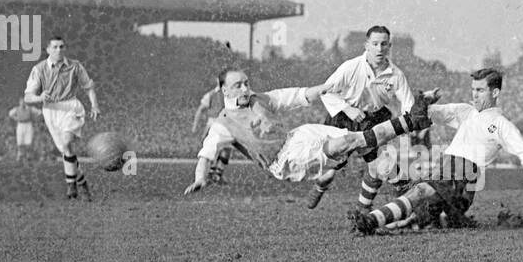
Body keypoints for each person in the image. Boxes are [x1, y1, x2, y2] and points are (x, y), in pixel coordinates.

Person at [351, 68, 523, 234]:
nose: (474, 95)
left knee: (419, 192)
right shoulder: (465, 111)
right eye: (473, 89)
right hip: (447, 171)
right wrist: (425, 101)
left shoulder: (501, 124)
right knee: (421, 215)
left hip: (464, 174)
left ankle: (370, 221)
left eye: (480, 90)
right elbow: (426, 114)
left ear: (495, 93)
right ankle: (419, 221)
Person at [183, 68, 437, 194]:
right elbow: (206, 153)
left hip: (297, 136)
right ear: (225, 90)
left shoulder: (260, 98)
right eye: (237, 85)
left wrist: (326, 86)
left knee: (354, 139)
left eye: (246, 83)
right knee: (344, 145)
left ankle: (402, 168)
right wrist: (200, 177)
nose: (244, 88)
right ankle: (409, 123)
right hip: (284, 161)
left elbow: (296, 95)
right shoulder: (222, 123)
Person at [304, 25, 416, 211]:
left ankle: (375, 205)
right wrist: (348, 109)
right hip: (343, 118)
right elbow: (326, 91)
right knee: (329, 172)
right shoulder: (351, 67)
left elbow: (408, 104)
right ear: (367, 45)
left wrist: (411, 117)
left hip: (371, 121)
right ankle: (321, 184)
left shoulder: (396, 75)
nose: (379, 49)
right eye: (375, 44)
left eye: (384, 44)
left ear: (389, 46)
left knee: (380, 165)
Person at [24, 37, 100, 200]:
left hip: (70, 107)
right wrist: (40, 97)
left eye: (61, 47)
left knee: (67, 143)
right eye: (55, 47)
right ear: (48, 49)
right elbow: (28, 97)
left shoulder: (75, 66)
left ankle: (70, 186)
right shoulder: (39, 69)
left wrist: (94, 105)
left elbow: (89, 87)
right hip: (51, 112)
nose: (59, 50)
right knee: (67, 151)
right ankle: (81, 182)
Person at [192, 84, 232, 184]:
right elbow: (201, 109)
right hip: (215, 123)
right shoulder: (212, 95)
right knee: (216, 149)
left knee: (225, 149)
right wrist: (195, 125)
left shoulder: (230, 94)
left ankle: (216, 174)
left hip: (225, 123)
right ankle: (212, 174)